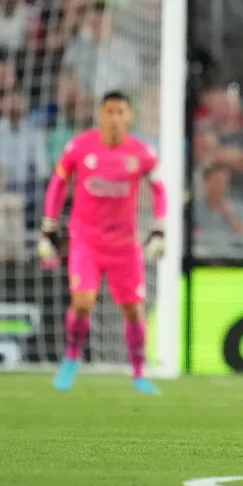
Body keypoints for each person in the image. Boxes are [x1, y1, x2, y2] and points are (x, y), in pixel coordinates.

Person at [37, 91, 167, 394]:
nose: (114, 118)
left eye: (120, 111)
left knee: (134, 310)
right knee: (83, 303)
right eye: (109, 111)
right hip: (86, 241)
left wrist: (159, 230)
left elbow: (159, 190)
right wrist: (48, 227)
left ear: (129, 116)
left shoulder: (142, 152)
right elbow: (58, 183)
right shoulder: (80, 147)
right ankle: (71, 360)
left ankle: (139, 374)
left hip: (125, 245)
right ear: (100, 114)